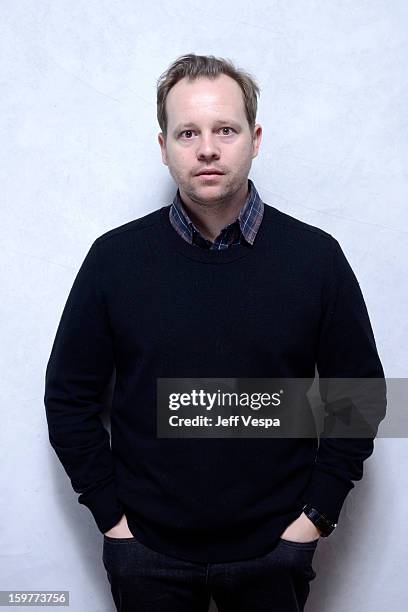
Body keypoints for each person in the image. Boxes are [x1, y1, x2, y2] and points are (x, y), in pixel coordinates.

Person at [44, 53, 386, 611]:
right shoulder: (114, 260)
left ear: (254, 139)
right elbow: (68, 398)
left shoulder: (315, 259)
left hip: (274, 551)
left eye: (224, 129)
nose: (207, 147)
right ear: (164, 147)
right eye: (188, 132)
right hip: (146, 553)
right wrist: (111, 516)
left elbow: (360, 396)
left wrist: (316, 517)